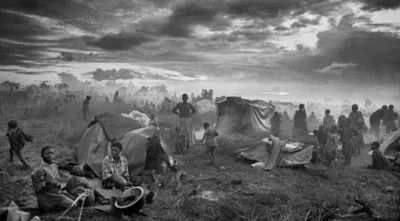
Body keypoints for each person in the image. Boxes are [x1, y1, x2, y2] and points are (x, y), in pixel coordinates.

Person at [31, 146, 75, 212]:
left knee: (76, 199)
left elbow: (64, 167)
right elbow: (38, 188)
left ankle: (58, 203)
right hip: (48, 195)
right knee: (73, 205)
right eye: (47, 153)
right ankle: (49, 206)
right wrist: (50, 183)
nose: (50, 155)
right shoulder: (39, 170)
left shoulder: (54, 165)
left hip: (57, 192)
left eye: (52, 153)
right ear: (42, 155)